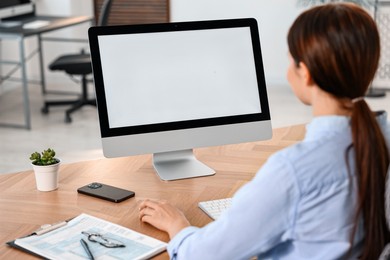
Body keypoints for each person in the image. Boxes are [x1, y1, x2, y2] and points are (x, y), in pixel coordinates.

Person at [139, 3, 390, 259]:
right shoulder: (383, 137)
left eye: (291, 60)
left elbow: (203, 254)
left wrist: (178, 226)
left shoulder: (293, 171)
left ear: (305, 73)